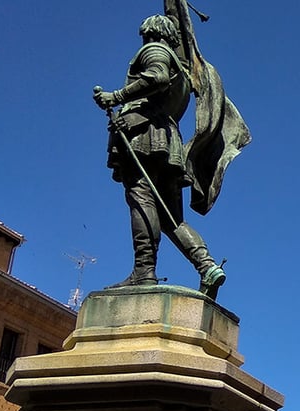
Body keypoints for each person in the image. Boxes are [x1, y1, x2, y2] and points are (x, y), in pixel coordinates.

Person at [93, 14, 225, 298]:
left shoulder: (155, 51)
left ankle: (144, 270)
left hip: (144, 136)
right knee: (170, 218)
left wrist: (115, 96)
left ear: (149, 31)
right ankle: (206, 265)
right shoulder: (182, 69)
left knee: (141, 197)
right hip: (166, 140)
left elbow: (157, 77)